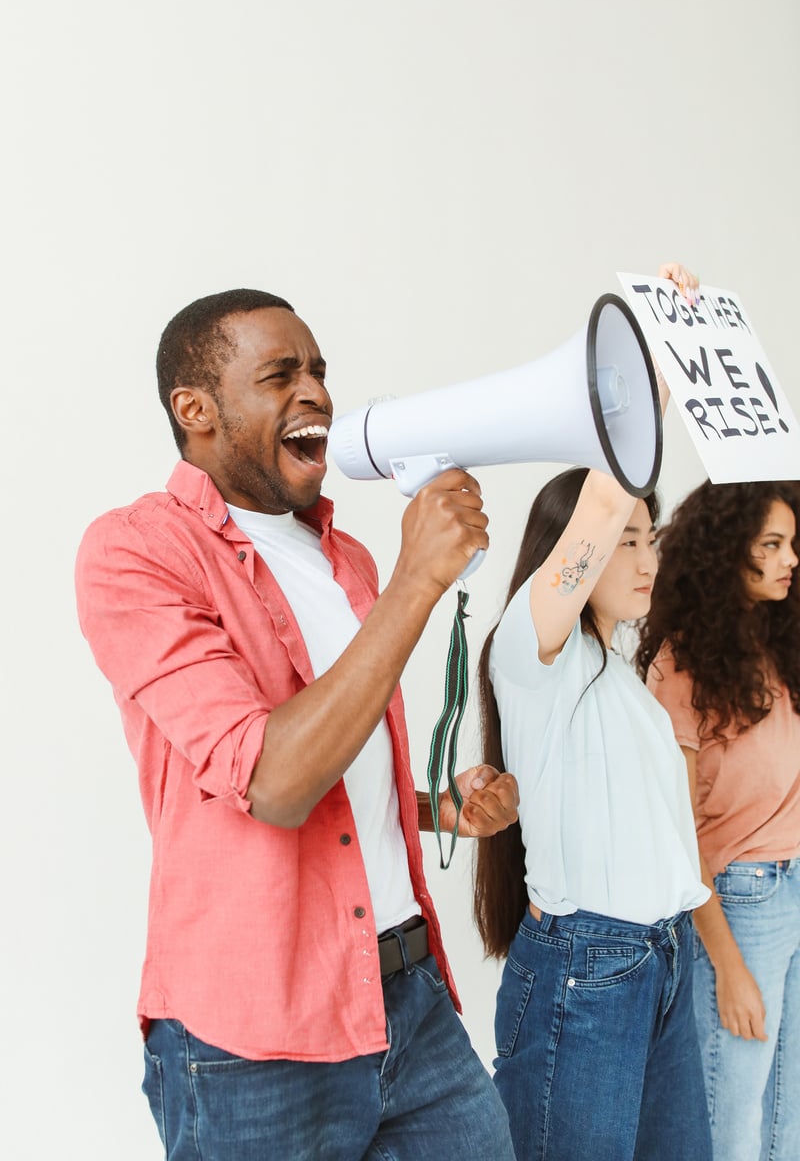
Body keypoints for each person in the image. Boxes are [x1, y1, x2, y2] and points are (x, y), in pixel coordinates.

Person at [75, 288, 519, 1161]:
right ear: (196, 411)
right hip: (254, 1042)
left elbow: (339, 765)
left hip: (408, 999)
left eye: (318, 371)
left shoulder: (343, 556)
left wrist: (433, 806)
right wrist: (416, 584)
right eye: (281, 375)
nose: (315, 392)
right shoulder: (136, 552)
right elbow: (273, 781)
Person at [471, 260, 713, 1161]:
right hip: (589, 970)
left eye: (651, 538)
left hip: (660, 959)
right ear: (571, 555)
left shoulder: (619, 669)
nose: (645, 558)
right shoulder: (532, 656)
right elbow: (608, 495)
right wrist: (654, 361)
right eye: (626, 543)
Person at [637, 479, 800, 1161]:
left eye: (793, 543)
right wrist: (728, 967)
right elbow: (677, 835)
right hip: (741, 901)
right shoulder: (680, 667)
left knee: (789, 1115)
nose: (791, 559)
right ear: (726, 552)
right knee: (731, 1114)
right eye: (772, 545)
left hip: (793, 884)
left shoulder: (780, 648)